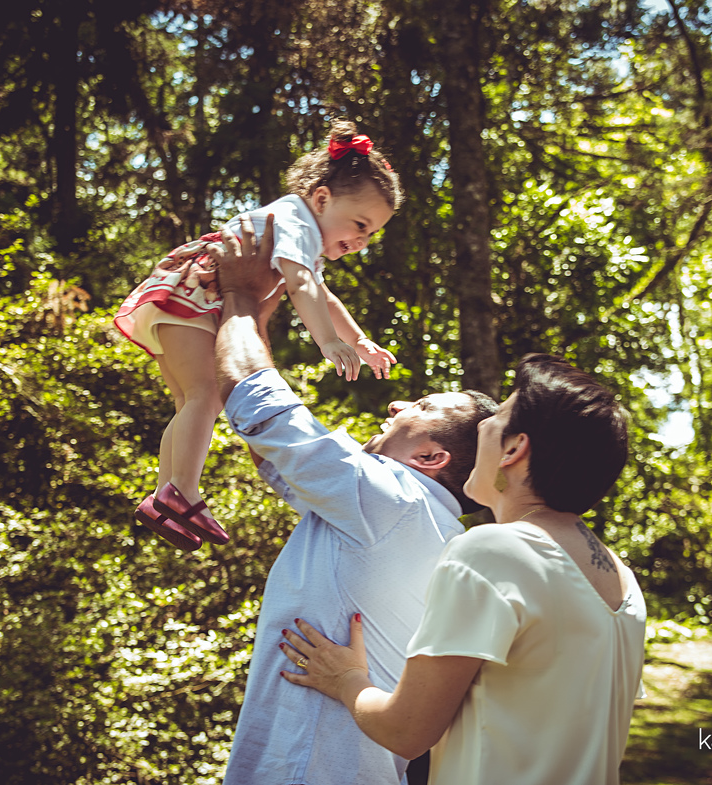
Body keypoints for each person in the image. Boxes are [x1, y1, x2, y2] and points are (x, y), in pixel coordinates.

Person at [208, 214, 497, 785]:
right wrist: (263, 311)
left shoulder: (395, 501)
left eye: (417, 409)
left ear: (431, 458)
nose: (395, 407)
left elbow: (260, 409)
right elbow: (271, 453)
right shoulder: (431, 530)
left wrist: (239, 296)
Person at [279, 353, 646, 785]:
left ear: (514, 448)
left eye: (496, 419)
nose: (483, 429)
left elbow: (405, 731)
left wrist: (347, 679)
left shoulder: (491, 551)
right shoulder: (622, 579)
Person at [115, 119, 401, 551]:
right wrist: (329, 341)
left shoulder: (304, 232)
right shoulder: (297, 221)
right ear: (321, 198)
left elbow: (320, 291)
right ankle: (181, 492)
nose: (362, 240)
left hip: (194, 301)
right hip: (197, 296)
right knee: (205, 397)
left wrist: (358, 339)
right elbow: (303, 286)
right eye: (359, 224)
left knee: (192, 402)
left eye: (372, 233)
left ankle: (166, 496)